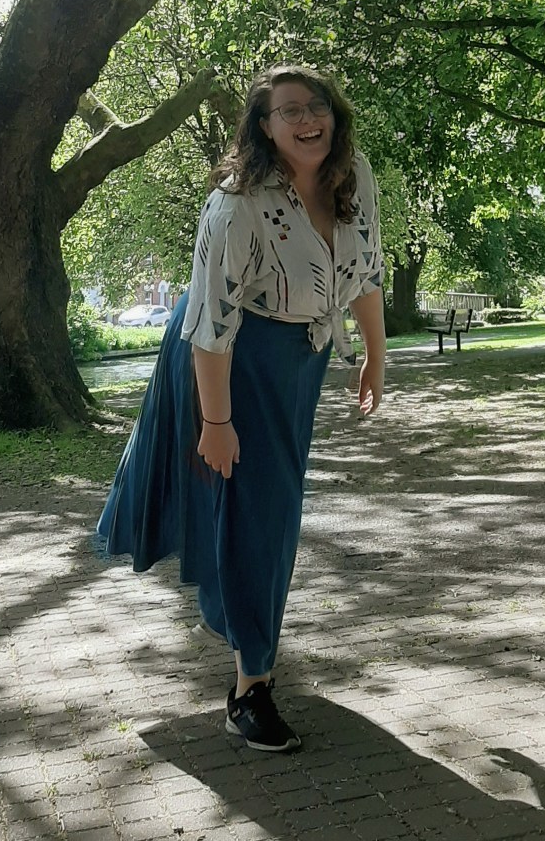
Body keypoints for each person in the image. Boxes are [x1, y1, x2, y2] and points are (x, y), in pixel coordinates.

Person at [96, 64, 386, 752]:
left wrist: (375, 353)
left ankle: (250, 660)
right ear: (263, 126)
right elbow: (210, 324)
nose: (307, 118)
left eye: (317, 104)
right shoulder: (236, 204)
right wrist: (216, 422)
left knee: (266, 510)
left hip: (302, 360)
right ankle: (249, 689)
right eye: (288, 110)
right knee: (259, 512)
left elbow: (367, 268)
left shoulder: (354, 175)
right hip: (227, 359)